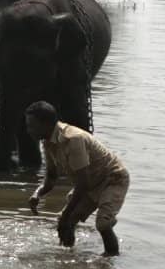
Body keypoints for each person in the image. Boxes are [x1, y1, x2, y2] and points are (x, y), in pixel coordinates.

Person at [25, 101, 129, 256]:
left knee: (103, 223)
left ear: (45, 124)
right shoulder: (48, 142)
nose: (28, 130)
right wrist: (37, 194)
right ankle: (68, 259)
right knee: (65, 223)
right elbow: (51, 177)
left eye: (32, 126)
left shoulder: (73, 139)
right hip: (91, 181)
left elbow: (83, 184)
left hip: (113, 178)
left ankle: (110, 259)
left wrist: (66, 215)